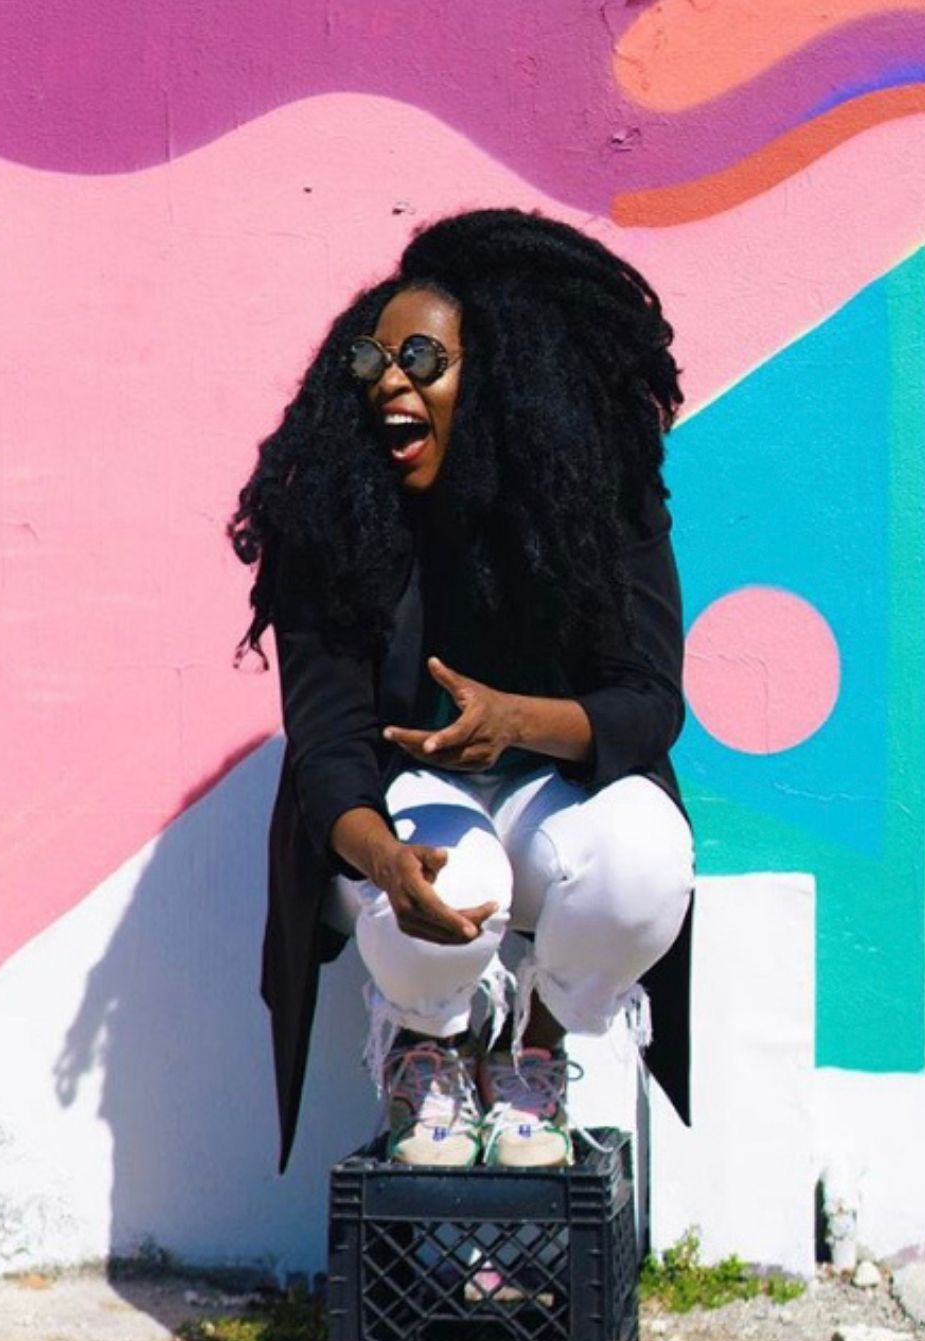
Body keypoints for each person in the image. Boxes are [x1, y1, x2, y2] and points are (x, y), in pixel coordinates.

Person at [231, 208, 695, 1173]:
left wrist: (519, 722)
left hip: (551, 798)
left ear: (497, 379)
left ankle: (540, 1047)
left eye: (421, 360)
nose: (390, 382)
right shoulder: (334, 512)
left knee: (646, 857)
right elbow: (327, 752)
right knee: (448, 870)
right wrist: (381, 862)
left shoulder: (601, 500)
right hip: (409, 799)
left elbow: (651, 705)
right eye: (373, 364)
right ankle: (427, 1043)